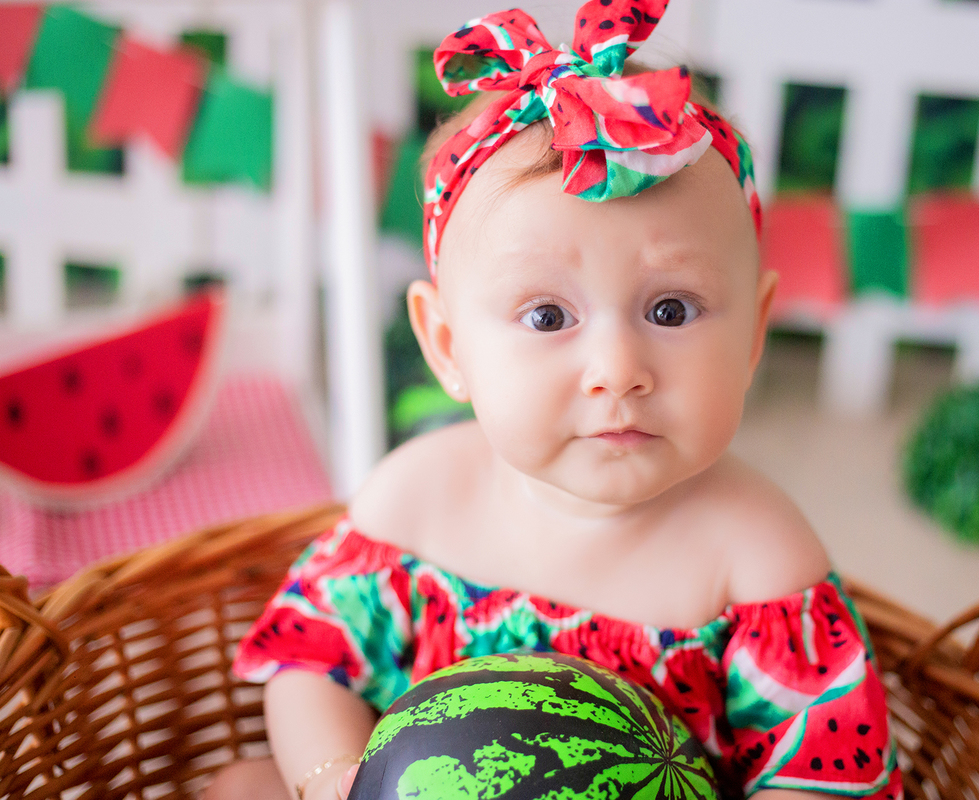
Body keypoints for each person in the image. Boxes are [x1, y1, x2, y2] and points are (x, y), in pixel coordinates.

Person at [206, 2, 901, 799]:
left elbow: (825, 775)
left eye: (670, 310)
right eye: (547, 317)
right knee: (243, 785)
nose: (617, 370)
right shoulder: (415, 501)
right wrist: (333, 776)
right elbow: (307, 661)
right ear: (448, 347)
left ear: (753, 337)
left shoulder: (758, 560)